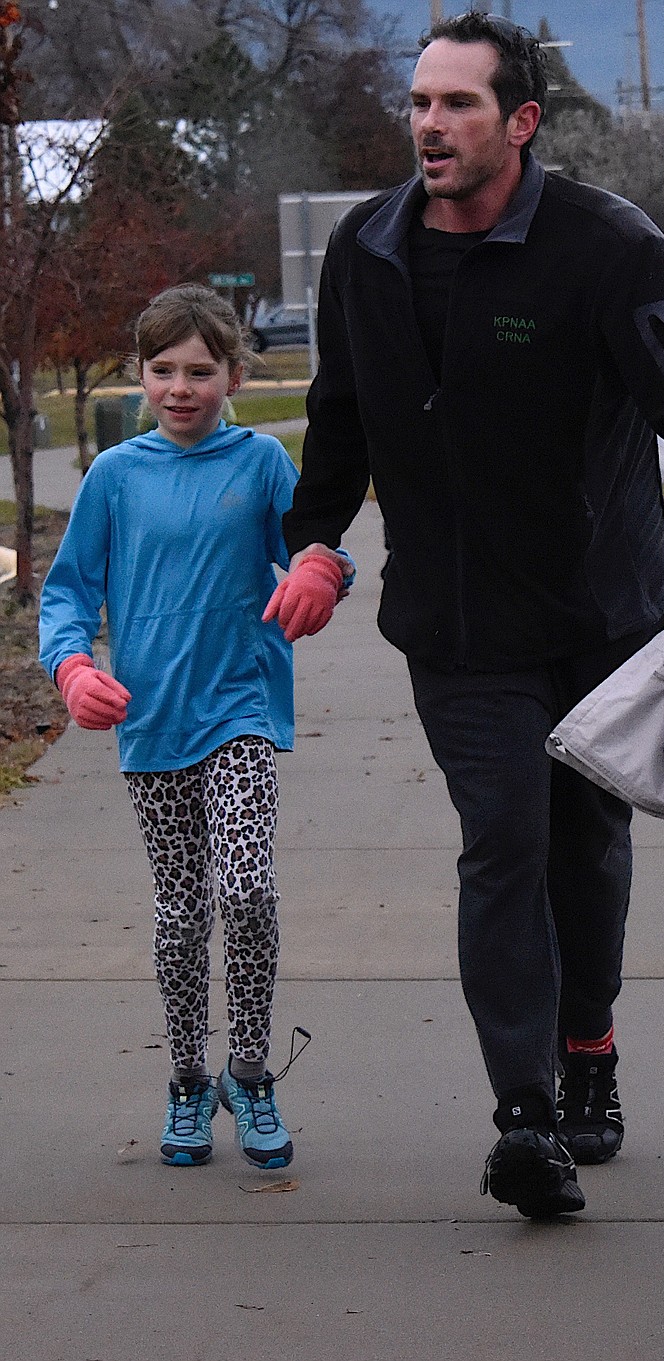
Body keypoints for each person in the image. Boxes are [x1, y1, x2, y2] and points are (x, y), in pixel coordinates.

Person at [277, 11, 664, 1218]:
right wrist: (312, 540)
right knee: (501, 839)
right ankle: (524, 1119)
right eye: (418, 103)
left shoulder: (607, 248)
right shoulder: (368, 251)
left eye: (457, 104)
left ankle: (589, 1044)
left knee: (584, 847)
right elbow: (340, 417)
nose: (428, 125)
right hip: (457, 626)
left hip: (598, 616)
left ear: (519, 121)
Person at [39, 284, 350, 1171]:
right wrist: (72, 667)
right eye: (163, 369)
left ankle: (248, 1071)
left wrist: (322, 572)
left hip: (238, 710)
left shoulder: (258, 464)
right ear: (139, 376)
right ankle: (185, 1080)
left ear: (235, 377)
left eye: (201, 370)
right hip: (150, 721)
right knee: (181, 912)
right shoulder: (115, 476)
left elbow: (315, 545)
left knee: (246, 886)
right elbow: (66, 595)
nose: (181, 386)